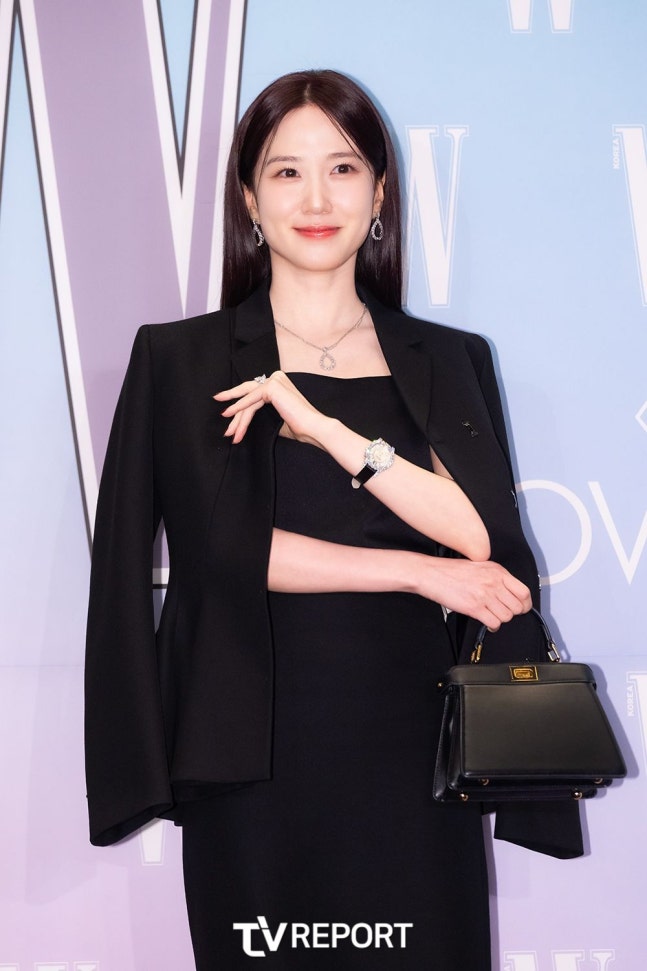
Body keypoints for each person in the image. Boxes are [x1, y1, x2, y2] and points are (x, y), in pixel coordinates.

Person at [85, 69, 583, 969]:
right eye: (286, 172)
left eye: (343, 169)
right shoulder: (181, 356)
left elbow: (481, 539)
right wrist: (418, 571)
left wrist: (327, 431)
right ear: (248, 199)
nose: (316, 199)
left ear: (380, 193)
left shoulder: (446, 357)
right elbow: (216, 548)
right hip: (250, 751)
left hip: (413, 745)